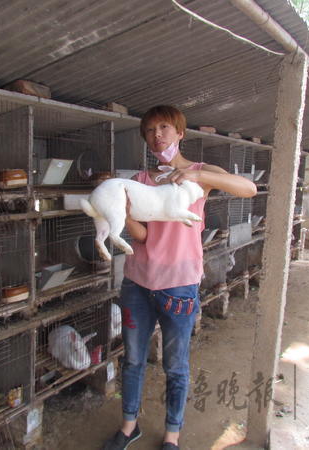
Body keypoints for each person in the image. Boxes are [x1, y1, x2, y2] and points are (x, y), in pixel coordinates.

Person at [103, 105, 256, 450]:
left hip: (180, 285)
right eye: (150, 131)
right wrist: (125, 215)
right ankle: (129, 427)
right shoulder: (141, 180)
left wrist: (195, 176)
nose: (157, 136)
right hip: (138, 284)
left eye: (164, 128)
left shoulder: (202, 174)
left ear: (180, 132)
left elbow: (248, 189)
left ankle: (172, 434)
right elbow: (144, 237)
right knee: (132, 359)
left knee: (175, 364)